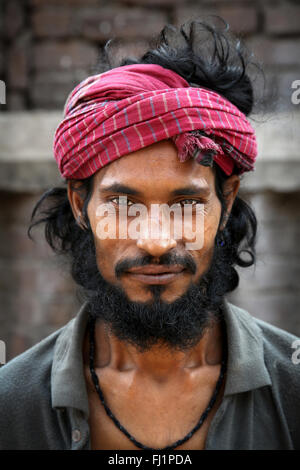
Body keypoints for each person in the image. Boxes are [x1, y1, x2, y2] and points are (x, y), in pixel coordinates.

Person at [0, 20, 299, 451]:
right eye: (123, 205)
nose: (156, 241)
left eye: (186, 205)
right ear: (81, 204)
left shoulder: (292, 390)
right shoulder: (13, 406)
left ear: (227, 201)